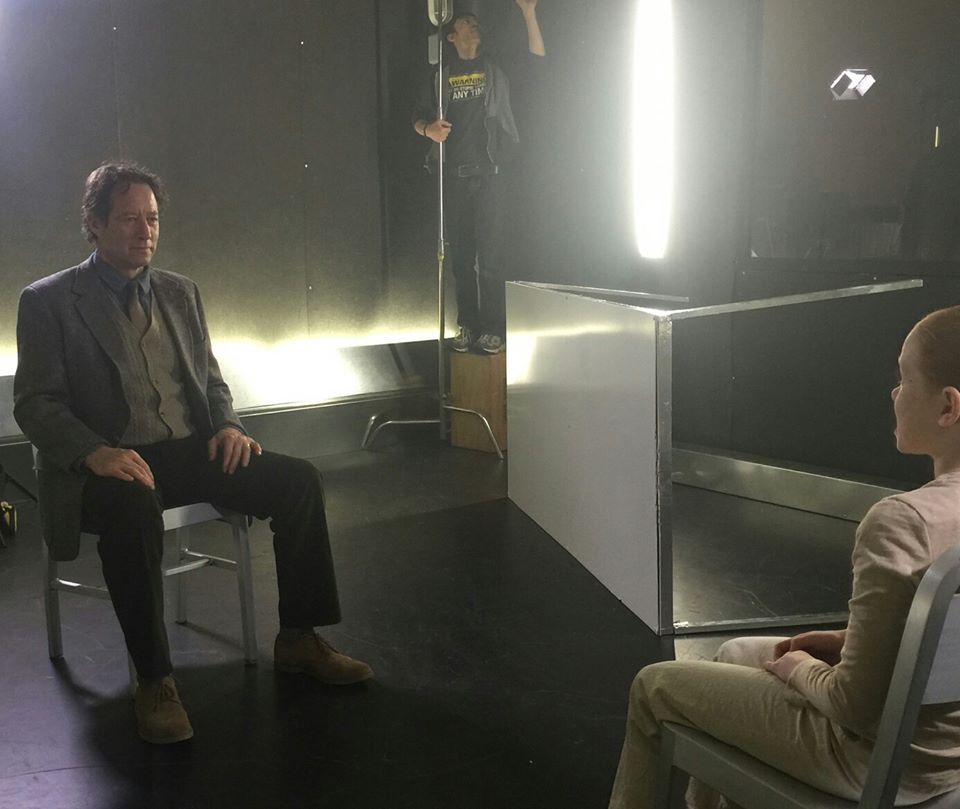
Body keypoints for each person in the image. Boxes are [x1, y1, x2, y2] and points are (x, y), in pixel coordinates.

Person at [14, 162, 373, 745]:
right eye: (129, 218)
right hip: (107, 466)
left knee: (299, 481)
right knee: (133, 507)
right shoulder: (49, 301)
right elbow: (35, 403)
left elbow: (210, 380)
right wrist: (93, 452)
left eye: (152, 218)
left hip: (186, 450)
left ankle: (298, 638)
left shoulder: (181, 292)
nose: (145, 231)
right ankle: (155, 680)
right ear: (94, 224)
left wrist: (228, 425)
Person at [608, 306, 960, 808]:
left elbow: (853, 707)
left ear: (948, 406)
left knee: (653, 687)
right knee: (736, 654)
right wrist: (848, 641)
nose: (894, 393)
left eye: (905, 379)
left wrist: (798, 667)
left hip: (873, 762)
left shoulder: (903, 522)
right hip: (947, 757)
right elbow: (936, 638)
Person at [412, 0, 545, 355]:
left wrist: (529, 14)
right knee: (460, 259)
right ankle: (467, 325)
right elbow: (417, 116)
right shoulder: (440, 75)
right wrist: (428, 130)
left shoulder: (495, 69)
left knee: (491, 259)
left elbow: (535, 63)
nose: (473, 27)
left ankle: (494, 329)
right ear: (452, 36)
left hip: (491, 175)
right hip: (454, 177)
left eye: (475, 23)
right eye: (466, 23)